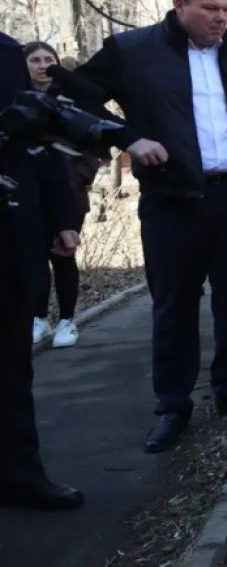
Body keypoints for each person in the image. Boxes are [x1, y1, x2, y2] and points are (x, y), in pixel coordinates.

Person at [75, 0, 227, 454]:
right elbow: (75, 94)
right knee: (174, 306)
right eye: (210, 9)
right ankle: (172, 406)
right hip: (172, 202)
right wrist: (127, 137)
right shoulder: (133, 52)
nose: (221, 18)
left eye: (226, 9)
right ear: (180, 5)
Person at [0, 30, 84, 510]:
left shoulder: (8, 56)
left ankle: (18, 473)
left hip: (9, 239)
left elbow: (38, 144)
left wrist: (61, 218)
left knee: (11, 368)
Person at [23, 42, 102, 349]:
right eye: (35, 60)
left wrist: (77, 175)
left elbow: (94, 146)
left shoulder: (71, 101)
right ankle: (39, 318)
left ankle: (67, 321)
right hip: (30, 194)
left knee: (63, 254)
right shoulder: (17, 99)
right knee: (33, 258)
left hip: (68, 194)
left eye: (48, 59)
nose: (42, 65)